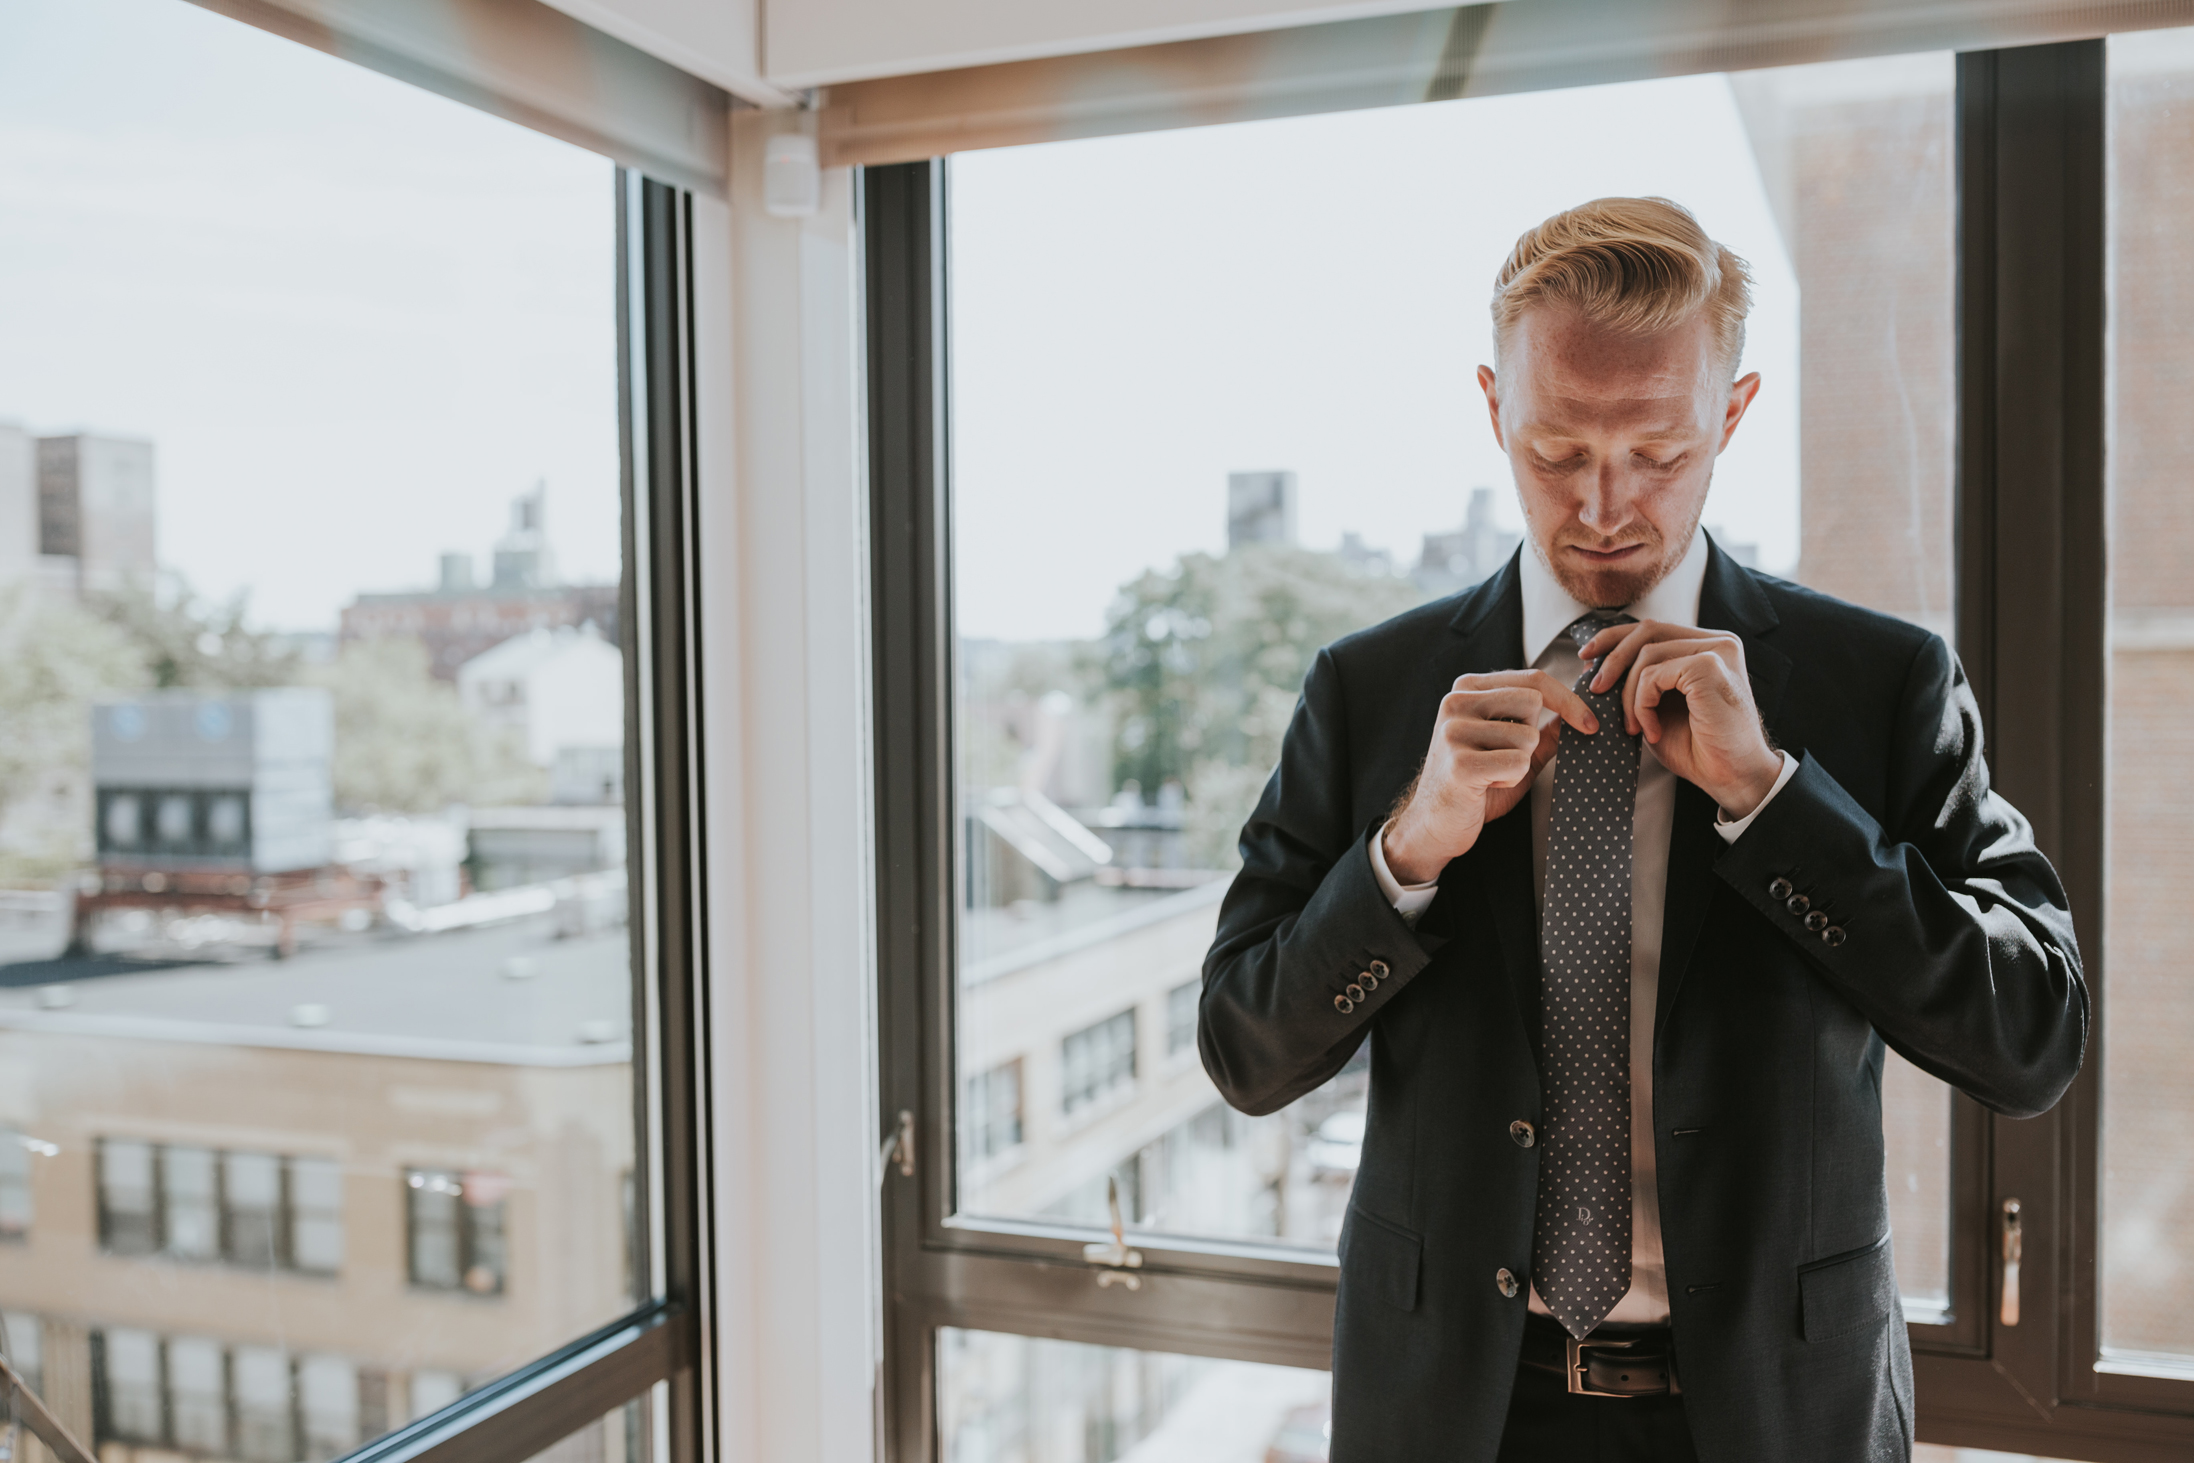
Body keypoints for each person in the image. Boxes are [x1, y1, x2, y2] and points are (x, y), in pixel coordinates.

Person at [1197, 197, 2086, 1463]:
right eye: (1556, 449)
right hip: (1455, 1410)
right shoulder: (1367, 688)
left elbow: (2031, 1039)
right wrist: (1404, 853)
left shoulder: (1878, 683)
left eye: (1657, 452)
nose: (1604, 506)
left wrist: (1777, 798)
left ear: (1731, 412)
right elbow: (1243, 1048)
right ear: (1494, 406)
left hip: (1780, 1413)